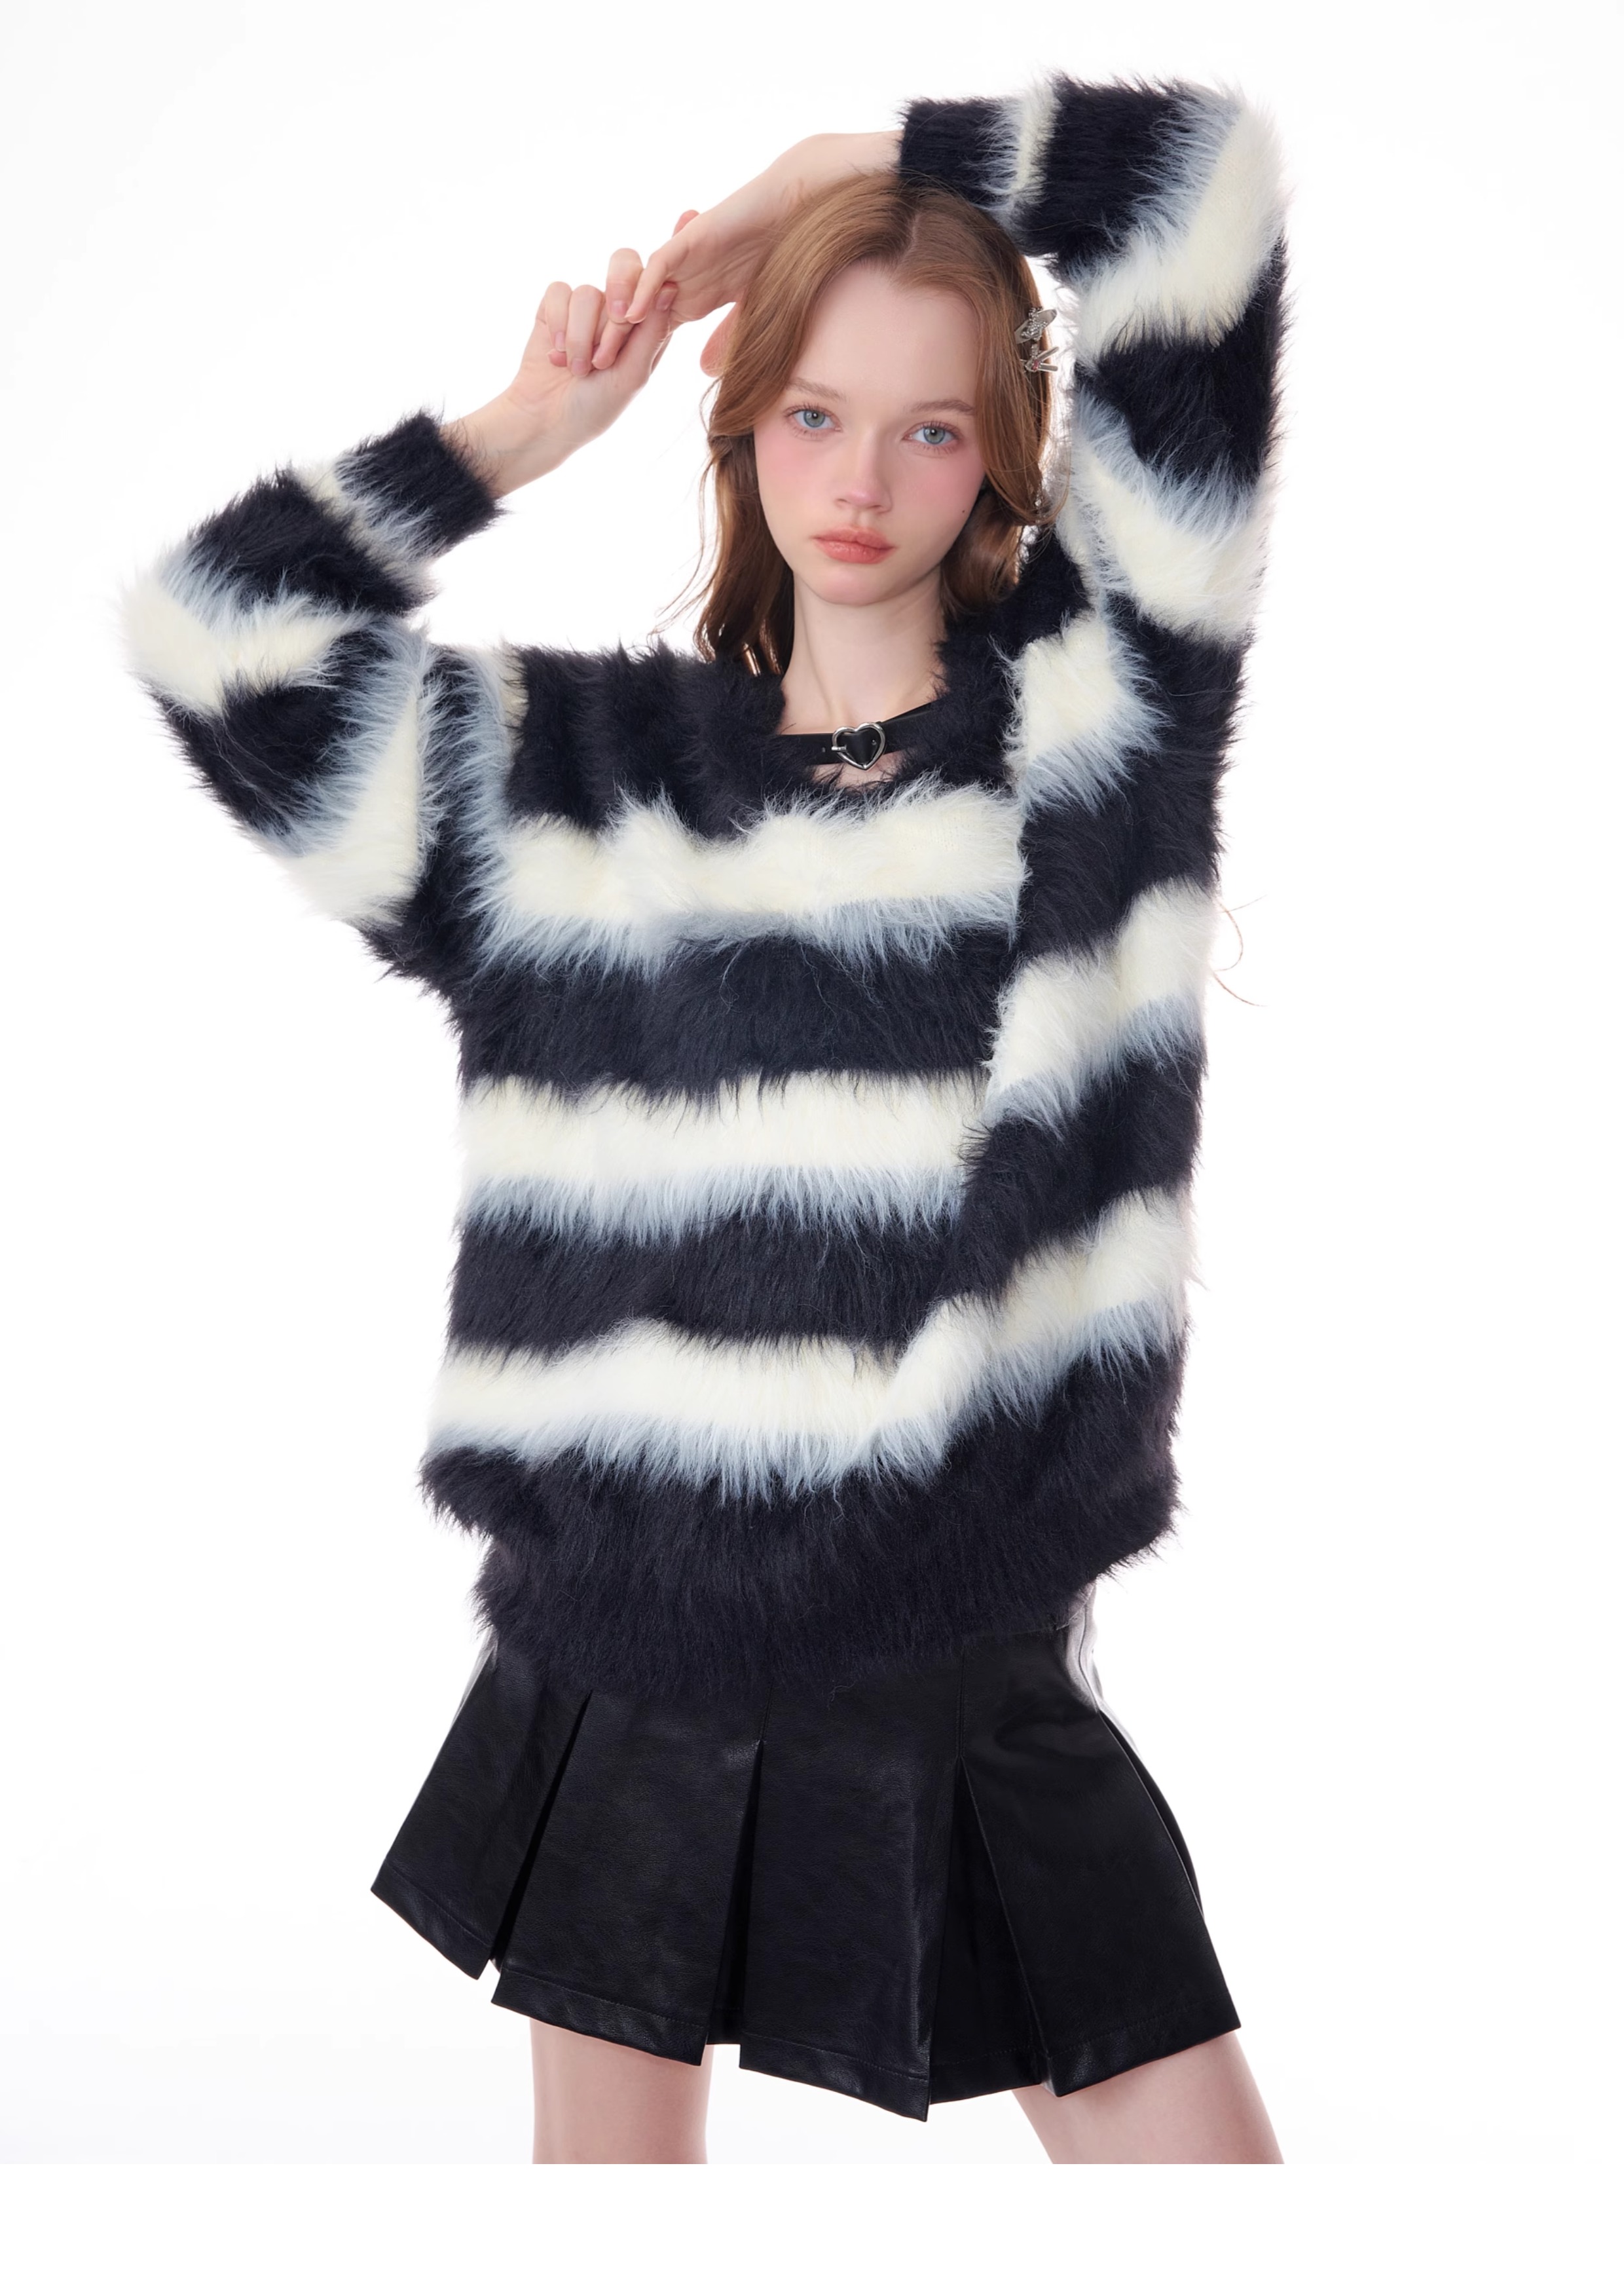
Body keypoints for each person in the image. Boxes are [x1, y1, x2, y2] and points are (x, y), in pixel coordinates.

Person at [121, 71, 1289, 2163]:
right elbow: (213, 638)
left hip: (955, 1644)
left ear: (1000, 450)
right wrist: (513, 433)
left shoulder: (1100, 719)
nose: (863, 479)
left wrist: (851, 169)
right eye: (815, 413)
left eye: (932, 426)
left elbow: (1203, 197)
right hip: (622, 1636)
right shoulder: (566, 780)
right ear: (742, 426)